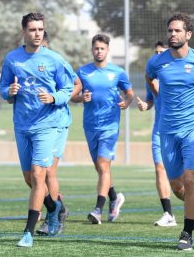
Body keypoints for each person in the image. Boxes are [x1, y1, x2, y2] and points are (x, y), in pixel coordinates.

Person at [146, 12, 194, 251]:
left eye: (177, 30)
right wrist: (158, 94)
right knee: (177, 186)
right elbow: (149, 78)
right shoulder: (157, 62)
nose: (172, 34)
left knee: (190, 180)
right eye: (170, 30)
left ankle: (186, 233)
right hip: (167, 130)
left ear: (188, 34)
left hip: (193, 129)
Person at [0, 12, 74, 247]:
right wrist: (8, 92)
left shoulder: (54, 59)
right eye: (32, 29)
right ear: (24, 32)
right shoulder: (12, 59)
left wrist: (53, 97)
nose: (37, 33)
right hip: (22, 125)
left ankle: (28, 232)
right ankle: (54, 207)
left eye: (40, 29)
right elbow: (3, 87)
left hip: (48, 124)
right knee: (30, 179)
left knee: (40, 174)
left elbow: (69, 87)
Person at [72, 34, 133, 225]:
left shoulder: (117, 72)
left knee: (103, 165)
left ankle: (98, 209)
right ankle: (115, 198)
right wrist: (81, 98)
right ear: (92, 50)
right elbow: (71, 96)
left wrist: (127, 101)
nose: (99, 51)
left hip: (110, 125)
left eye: (102, 48)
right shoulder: (82, 72)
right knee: (100, 168)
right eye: (96, 48)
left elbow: (129, 92)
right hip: (90, 125)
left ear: (108, 50)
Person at [36, 31, 82, 236]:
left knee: (48, 172)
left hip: (58, 122)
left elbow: (77, 84)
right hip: (36, 124)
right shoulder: (26, 62)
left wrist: (58, 98)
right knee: (32, 177)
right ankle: (59, 208)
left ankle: (52, 217)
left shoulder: (56, 60)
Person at [137, 41, 177, 226]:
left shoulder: (175, 76)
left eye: (162, 52)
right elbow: (151, 100)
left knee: (184, 174)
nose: (158, 55)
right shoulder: (151, 77)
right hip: (159, 129)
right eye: (156, 52)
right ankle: (168, 214)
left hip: (178, 128)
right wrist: (145, 105)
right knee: (159, 168)